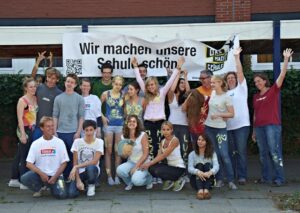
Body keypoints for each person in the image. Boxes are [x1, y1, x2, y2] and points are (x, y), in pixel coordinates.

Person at [252, 48, 293, 186]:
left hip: (272, 126)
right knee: (263, 154)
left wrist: (286, 59)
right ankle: (266, 178)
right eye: (255, 82)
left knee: (274, 152)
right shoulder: (255, 97)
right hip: (259, 128)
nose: (257, 83)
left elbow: (282, 75)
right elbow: (255, 114)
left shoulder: (273, 91)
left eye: (259, 81)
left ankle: (280, 178)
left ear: (264, 81)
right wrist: (253, 131)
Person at [131, 57, 184, 160]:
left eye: (152, 84)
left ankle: (160, 168)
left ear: (156, 84)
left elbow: (171, 80)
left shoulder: (163, 92)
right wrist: (135, 66)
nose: (150, 86)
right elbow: (139, 79)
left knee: (161, 146)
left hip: (161, 123)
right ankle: (151, 170)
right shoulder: (146, 93)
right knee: (150, 147)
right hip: (148, 123)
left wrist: (178, 67)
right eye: (148, 85)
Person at [20, 116, 69, 199]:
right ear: (42, 128)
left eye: (52, 126)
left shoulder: (60, 142)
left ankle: (52, 187)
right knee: (24, 178)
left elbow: (64, 163)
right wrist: (41, 174)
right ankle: (39, 188)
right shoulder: (36, 143)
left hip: (56, 176)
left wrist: (54, 177)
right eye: (48, 126)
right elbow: (29, 164)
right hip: (41, 176)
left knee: (62, 195)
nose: (51, 128)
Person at [204, 75, 237, 190]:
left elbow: (232, 114)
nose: (211, 84)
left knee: (224, 155)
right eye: (211, 82)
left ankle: (231, 180)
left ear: (220, 83)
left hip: (220, 129)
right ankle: (219, 179)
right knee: (215, 155)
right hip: (209, 128)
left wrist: (219, 115)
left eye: (213, 83)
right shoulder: (212, 94)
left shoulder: (226, 97)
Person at [225, 47, 250, 185]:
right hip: (228, 127)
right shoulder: (224, 94)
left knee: (241, 152)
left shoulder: (242, 88)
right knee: (230, 153)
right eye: (228, 78)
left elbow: (240, 72)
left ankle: (242, 176)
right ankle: (231, 176)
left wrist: (236, 57)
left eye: (232, 78)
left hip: (241, 126)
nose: (231, 80)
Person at [53, 73, 85, 178]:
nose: (69, 84)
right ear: (65, 82)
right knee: (61, 158)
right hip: (60, 133)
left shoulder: (80, 98)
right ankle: (63, 178)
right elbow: (55, 116)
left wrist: (78, 132)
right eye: (68, 81)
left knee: (74, 158)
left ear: (75, 85)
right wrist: (55, 132)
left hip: (73, 133)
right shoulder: (58, 98)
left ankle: (74, 179)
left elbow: (81, 117)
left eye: (72, 82)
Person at [9, 77, 38, 189]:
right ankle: (23, 182)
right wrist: (22, 134)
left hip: (33, 129)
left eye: (35, 86)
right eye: (31, 87)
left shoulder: (35, 98)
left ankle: (13, 179)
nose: (33, 88)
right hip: (24, 129)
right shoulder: (22, 101)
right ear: (26, 88)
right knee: (24, 156)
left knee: (20, 154)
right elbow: (20, 119)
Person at [140, 121, 186, 192]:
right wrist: (148, 164)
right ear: (161, 130)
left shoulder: (175, 140)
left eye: (168, 129)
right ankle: (170, 180)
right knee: (152, 169)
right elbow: (158, 156)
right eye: (164, 130)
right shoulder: (162, 141)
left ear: (172, 130)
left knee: (157, 170)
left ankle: (179, 179)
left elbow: (164, 155)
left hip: (178, 168)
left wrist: (148, 163)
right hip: (170, 166)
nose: (166, 132)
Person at [31, 51, 62, 141]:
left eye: (53, 78)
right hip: (37, 127)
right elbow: (31, 78)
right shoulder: (38, 87)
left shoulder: (59, 93)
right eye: (49, 77)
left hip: (51, 128)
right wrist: (38, 62)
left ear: (57, 80)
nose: (50, 80)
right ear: (46, 77)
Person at [116, 115, 153, 190]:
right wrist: (125, 154)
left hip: (143, 162)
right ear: (126, 123)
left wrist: (136, 167)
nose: (131, 123)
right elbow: (123, 156)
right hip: (131, 161)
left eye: (134, 121)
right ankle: (130, 182)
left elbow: (146, 154)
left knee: (137, 181)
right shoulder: (123, 136)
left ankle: (149, 179)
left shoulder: (142, 135)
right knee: (119, 170)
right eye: (129, 121)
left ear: (137, 124)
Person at [68, 120, 104, 197]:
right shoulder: (77, 142)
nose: (89, 133)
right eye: (86, 130)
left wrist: (76, 167)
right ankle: (83, 183)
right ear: (83, 131)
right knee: (71, 194)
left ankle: (91, 185)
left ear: (95, 130)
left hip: (93, 170)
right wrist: (78, 180)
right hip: (80, 172)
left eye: (91, 130)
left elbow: (94, 162)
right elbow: (75, 162)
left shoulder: (99, 142)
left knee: (90, 168)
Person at [101, 75, 125, 185]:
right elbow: (97, 107)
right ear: (112, 83)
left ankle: (117, 176)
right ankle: (109, 176)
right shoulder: (106, 94)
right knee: (108, 151)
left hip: (120, 125)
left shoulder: (123, 95)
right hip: (109, 126)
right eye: (116, 84)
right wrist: (102, 117)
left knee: (118, 151)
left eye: (120, 84)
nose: (118, 86)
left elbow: (126, 108)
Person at [167, 69, 190, 164]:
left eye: (184, 83)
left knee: (184, 149)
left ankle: (183, 173)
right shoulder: (171, 95)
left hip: (184, 126)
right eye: (181, 82)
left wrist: (185, 76)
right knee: (171, 150)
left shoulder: (186, 97)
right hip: (172, 126)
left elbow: (189, 92)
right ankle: (170, 172)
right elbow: (172, 89)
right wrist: (177, 74)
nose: (183, 84)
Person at [188, 134, 219, 200]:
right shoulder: (192, 154)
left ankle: (206, 190)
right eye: (199, 140)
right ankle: (200, 190)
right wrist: (198, 172)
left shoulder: (212, 153)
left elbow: (216, 166)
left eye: (203, 140)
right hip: (195, 181)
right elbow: (189, 168)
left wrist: (210, 172)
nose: (200, 141)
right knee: (199, 165)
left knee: (207, 165)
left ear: (207, 142)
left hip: (209, 179)